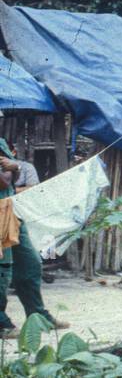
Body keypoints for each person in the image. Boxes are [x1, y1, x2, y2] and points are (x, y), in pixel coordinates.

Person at [0, 138, 65, 336]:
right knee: (3, 270)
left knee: (30, 263)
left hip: (12, 211)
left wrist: (15, 166)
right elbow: (4, 181)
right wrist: (12, 169)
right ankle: (2, 324)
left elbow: (11, 175)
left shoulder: (1, 142)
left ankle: (38, 316)